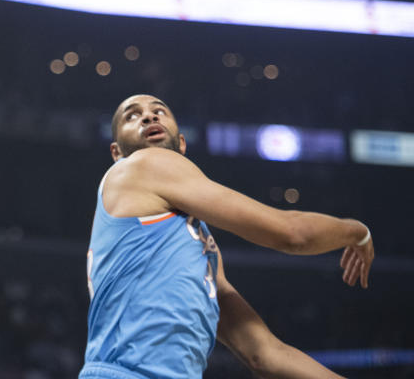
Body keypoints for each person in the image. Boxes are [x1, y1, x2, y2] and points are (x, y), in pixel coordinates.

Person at [82, 94, 375, 379]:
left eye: (159, 111)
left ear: (182, 143)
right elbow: (292, 233)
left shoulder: (196, 246)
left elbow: (265, 354)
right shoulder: (140, 165)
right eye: (131, 115)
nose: (148, 115)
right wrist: (357, 232)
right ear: (116, 153)